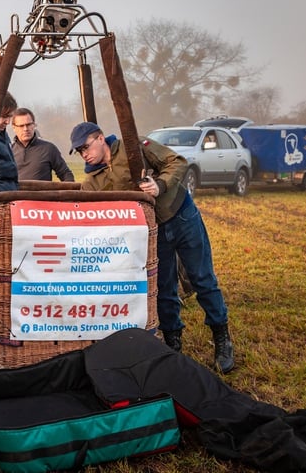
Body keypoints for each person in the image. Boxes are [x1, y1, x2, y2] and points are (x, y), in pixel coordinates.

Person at [69, 121, 235, 373]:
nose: (84, 154)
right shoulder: (91, 181)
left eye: (86, 147)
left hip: (180, 214)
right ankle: (172, 343)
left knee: (202, 278)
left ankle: (222, 338)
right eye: (79, 151)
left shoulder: (134, 145)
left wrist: (160, 184)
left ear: (100, 138)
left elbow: (177, 162)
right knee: (164, 288)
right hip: (152, 231)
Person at [11, 107, 74, 182]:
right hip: (15, 193)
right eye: (21, 126)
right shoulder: (9, 152)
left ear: (34, 125)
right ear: (14, 128)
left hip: (42, 193)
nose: (25, 129)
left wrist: (69, 192)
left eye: (28, 125)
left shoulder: (48, 149)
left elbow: (65, 174)